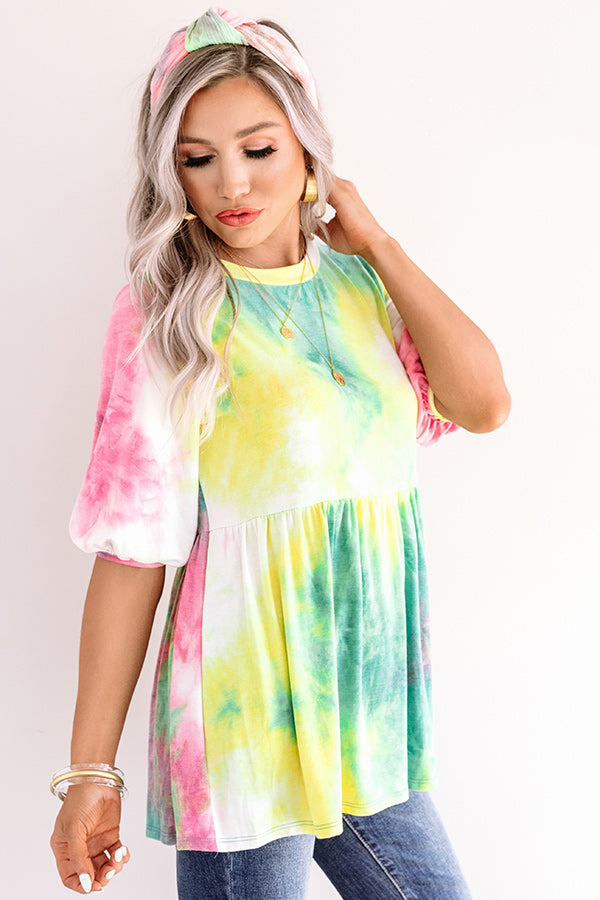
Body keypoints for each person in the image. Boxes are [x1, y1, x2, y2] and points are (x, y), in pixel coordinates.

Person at [50, 7, 511, 898]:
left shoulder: (364, 287)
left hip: (365, 730)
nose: (232, 183)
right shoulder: (166, 318)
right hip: (245, 740)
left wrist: (378, 242)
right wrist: (90, 773)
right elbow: (131, 555)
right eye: (198, 158)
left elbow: (484, 403)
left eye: (259, 148)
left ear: (307, 147)